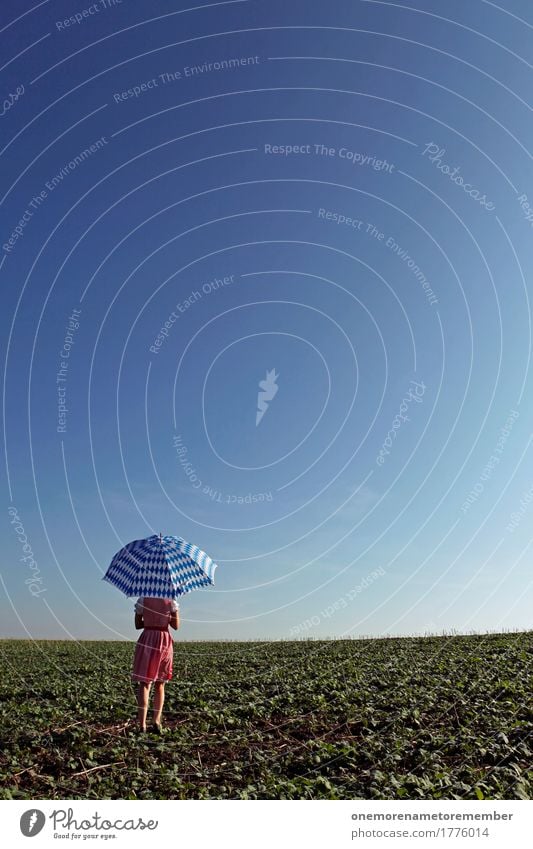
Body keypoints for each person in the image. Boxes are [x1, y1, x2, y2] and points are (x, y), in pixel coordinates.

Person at [131, 596, 180, 733]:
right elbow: (176, 626)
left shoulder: (143, 600)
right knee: (160, 683)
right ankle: (156, 721)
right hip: (164, 640)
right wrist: (168, 617)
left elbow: (137, 625)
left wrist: (149, 620)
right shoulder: (171, 601)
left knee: (144, 683)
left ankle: (142, 724)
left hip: (147, 639)